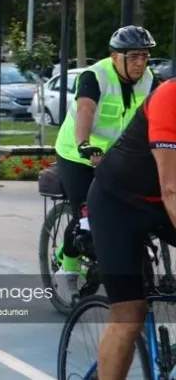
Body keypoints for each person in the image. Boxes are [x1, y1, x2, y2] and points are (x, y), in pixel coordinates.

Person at [53, 25, 159, 302]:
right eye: (134, 56)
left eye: (145, 56)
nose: (140, 63)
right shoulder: (95, 75)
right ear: (116, 57)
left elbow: (161, 116)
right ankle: (68, 268)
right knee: (86, 214)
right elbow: (86, 109)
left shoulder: (149, 80)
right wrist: (84, 144)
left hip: (118, 157)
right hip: (78, 153)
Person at [87, 77, 176, 379]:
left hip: (161, 206)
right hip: (118, 205)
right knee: (129, 317)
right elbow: (171, 189)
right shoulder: (170, 96)